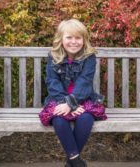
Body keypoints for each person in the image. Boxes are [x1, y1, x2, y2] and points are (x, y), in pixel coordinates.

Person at [39, 19, 107, 167]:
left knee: (86, 119)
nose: (73, 42)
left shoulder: (89, 57)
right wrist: (65, 103)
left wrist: (72, 104)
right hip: (58, 100)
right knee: (59, 119)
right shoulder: (53, 56)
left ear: (84, 39)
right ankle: (76, 162)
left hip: (83, 99)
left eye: (78, 38)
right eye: (69, 37)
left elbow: (85, 81)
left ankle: (70, 163)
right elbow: (52, 82)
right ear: (61, 39)